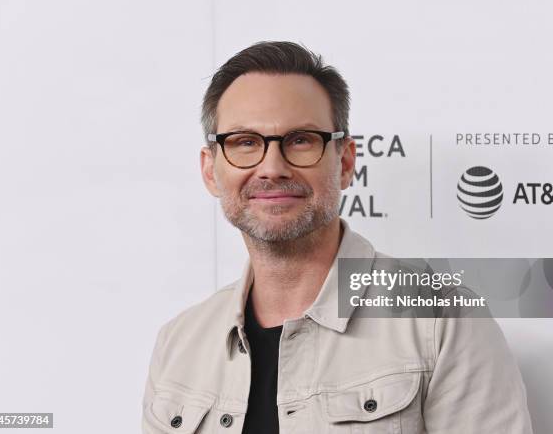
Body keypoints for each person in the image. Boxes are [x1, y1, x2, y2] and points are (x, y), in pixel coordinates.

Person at [141, 41, 533, 433]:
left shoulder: (441, 320)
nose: (272, 167)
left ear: (345, 163)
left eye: (300, 140)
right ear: (211, 171)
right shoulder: (179, 346)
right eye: (245, 142)